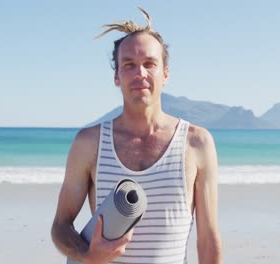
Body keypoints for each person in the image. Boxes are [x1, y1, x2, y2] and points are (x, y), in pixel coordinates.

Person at [51, 7, 222, 264]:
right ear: (117, 77)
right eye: (128, 65)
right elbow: (61, 227)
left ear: (165, 73)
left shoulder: (196, 142)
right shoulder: (89, 143)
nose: (140, 73)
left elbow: (208, 239)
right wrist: (86, 255)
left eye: (149, 64)